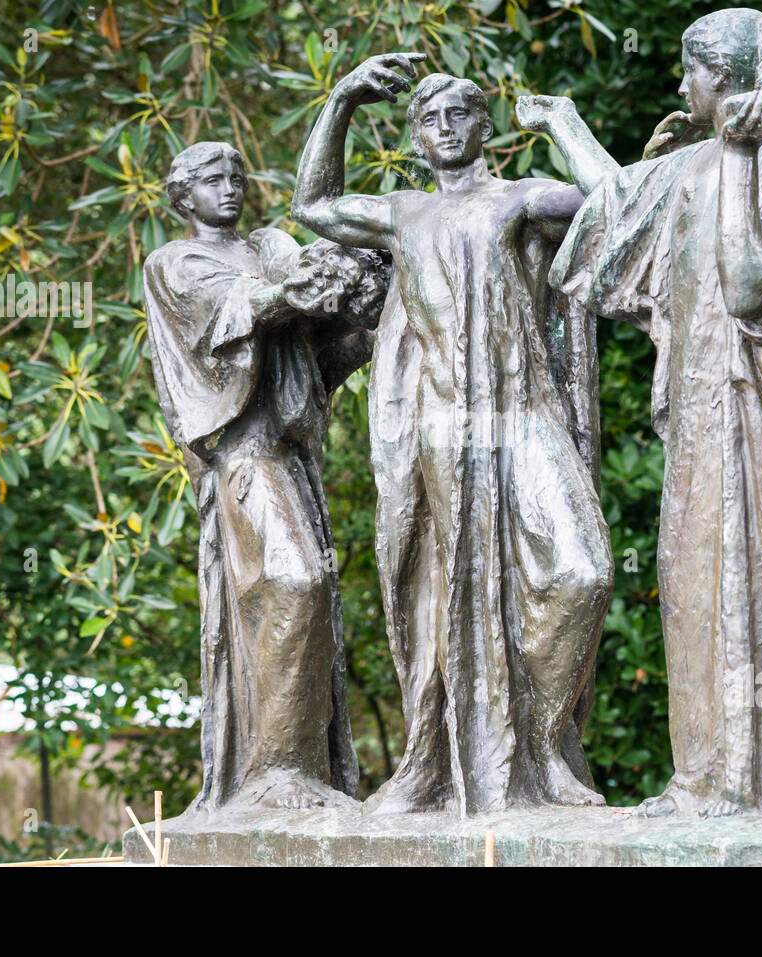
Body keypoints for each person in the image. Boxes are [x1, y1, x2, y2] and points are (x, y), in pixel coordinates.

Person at [520, 8, 762, 818]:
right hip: (700, 415)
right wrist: (563, 123)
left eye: (689, 70)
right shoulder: (696, 159)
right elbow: (619, 201)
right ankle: (701, 777)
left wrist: (739, 157)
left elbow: (752, 290)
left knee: (758, 585)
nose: (679, 84)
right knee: (692, 582)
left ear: (724, 75)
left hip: (755, 418)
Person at [293, 57, 614, 815]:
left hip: (526, 412)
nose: (443, 129)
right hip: (441, 421)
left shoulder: (519, 196)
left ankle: (540, 748)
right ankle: (432, 759)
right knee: (446, 588)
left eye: (459, 115)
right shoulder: (404, 210)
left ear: (483, 126)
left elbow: (613, 201)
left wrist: (563, 123)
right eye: (428, 120)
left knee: (583, 572)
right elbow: (313, 204)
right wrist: (341, 98)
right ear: (414, 138)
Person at [143, 141, 387, 815]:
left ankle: (303, 767)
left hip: (292, 452)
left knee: (302, 592)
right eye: (212, 179)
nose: (229, 187)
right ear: (183, 194)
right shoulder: (176, 262)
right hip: (243, 451)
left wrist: (367, 308)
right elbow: (228, 312)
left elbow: (317, 357)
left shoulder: (269, 249)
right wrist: (292, 288)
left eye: (236, 176)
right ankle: (277, 769)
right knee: (293, 580)